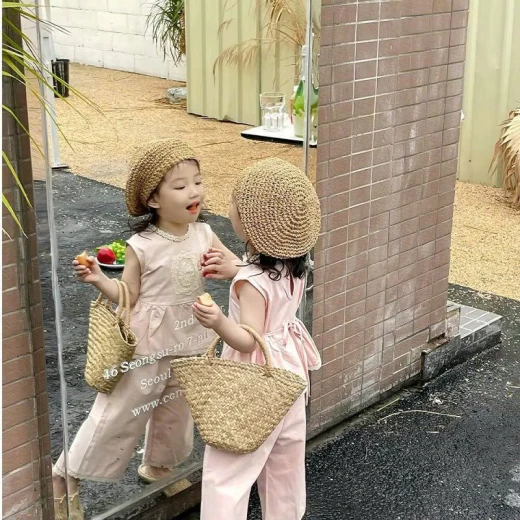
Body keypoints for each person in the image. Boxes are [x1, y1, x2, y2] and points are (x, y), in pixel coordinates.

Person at [52, 138, 241, 519]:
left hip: (192, 337)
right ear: (153, 199)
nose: (194, 191)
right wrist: (98, 279)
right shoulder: (142, 245)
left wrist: (230, 269)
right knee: (118, 412)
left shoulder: (205, 233)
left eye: (198, 181)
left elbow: (236, 266)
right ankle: (64, 475)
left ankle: (158, 466)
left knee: (177, 412)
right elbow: (129, 294)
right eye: (181, 185)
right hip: (147, 345)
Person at [192, 157, 322, 520]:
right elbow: (269, 284)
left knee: (229, 468)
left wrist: (218, 321)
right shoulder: (294, 265)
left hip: (253, 377)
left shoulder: (251, 282)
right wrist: (238, 267)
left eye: (235, 203)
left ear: (253, 223)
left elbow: (248, 340)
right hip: (289, 371)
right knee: (284, 459)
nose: (229, 208)